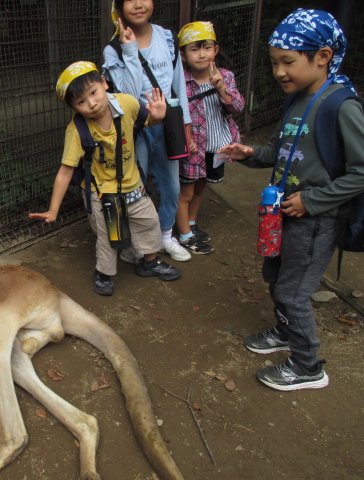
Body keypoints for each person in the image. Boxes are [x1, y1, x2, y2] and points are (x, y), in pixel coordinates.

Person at [218, 9, 364, 391]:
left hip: (315, 221)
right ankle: (286, 331)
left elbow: (361, 172)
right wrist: (249, 154)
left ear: (323, 56)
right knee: (274, 275)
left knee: (293, 290)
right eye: (274, 63)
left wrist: (313, 200)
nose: (279, 72)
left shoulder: (341, 105)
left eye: (288, 62)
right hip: (281, 213)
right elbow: (282, 154)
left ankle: (307, 365)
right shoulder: (297, 99)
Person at [29, 61, 181, 296]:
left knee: (149, 223)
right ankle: (104, 273)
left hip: (133, 184)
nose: (91, 103)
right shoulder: (77, 131)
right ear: (73, 107)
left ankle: (149, 262)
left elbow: (147, 121)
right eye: (81, 102)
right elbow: (65, 171)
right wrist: (53, 210)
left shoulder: (127, 103)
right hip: (102, 192)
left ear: (104, 82)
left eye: (93, 92)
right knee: (110, 237)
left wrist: (158, 117)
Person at [103, 0, 193, 264]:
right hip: (137, 128)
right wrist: (129, 49)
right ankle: (139, 242)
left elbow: (178, 86)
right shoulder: (114, 50)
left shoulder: (166, 38)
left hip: (169, 126)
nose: (139, 4)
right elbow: (128, 96)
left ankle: (165, 235)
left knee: (171, 185)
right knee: (136, 188)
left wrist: (186, 126)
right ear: (118, 9)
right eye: (130, 0)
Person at [176, 21, 245, 254]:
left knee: (200, 188)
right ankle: (185, 235)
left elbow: (237, 107)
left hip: (217, 146)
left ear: (216, 50)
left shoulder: (225, 76)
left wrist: (222, 89)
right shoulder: (181, 82)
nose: (201, 54)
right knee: (185, 192)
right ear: (183, 55)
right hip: (193, 147)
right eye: (194, 49)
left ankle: (192, 224)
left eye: (206, 47)